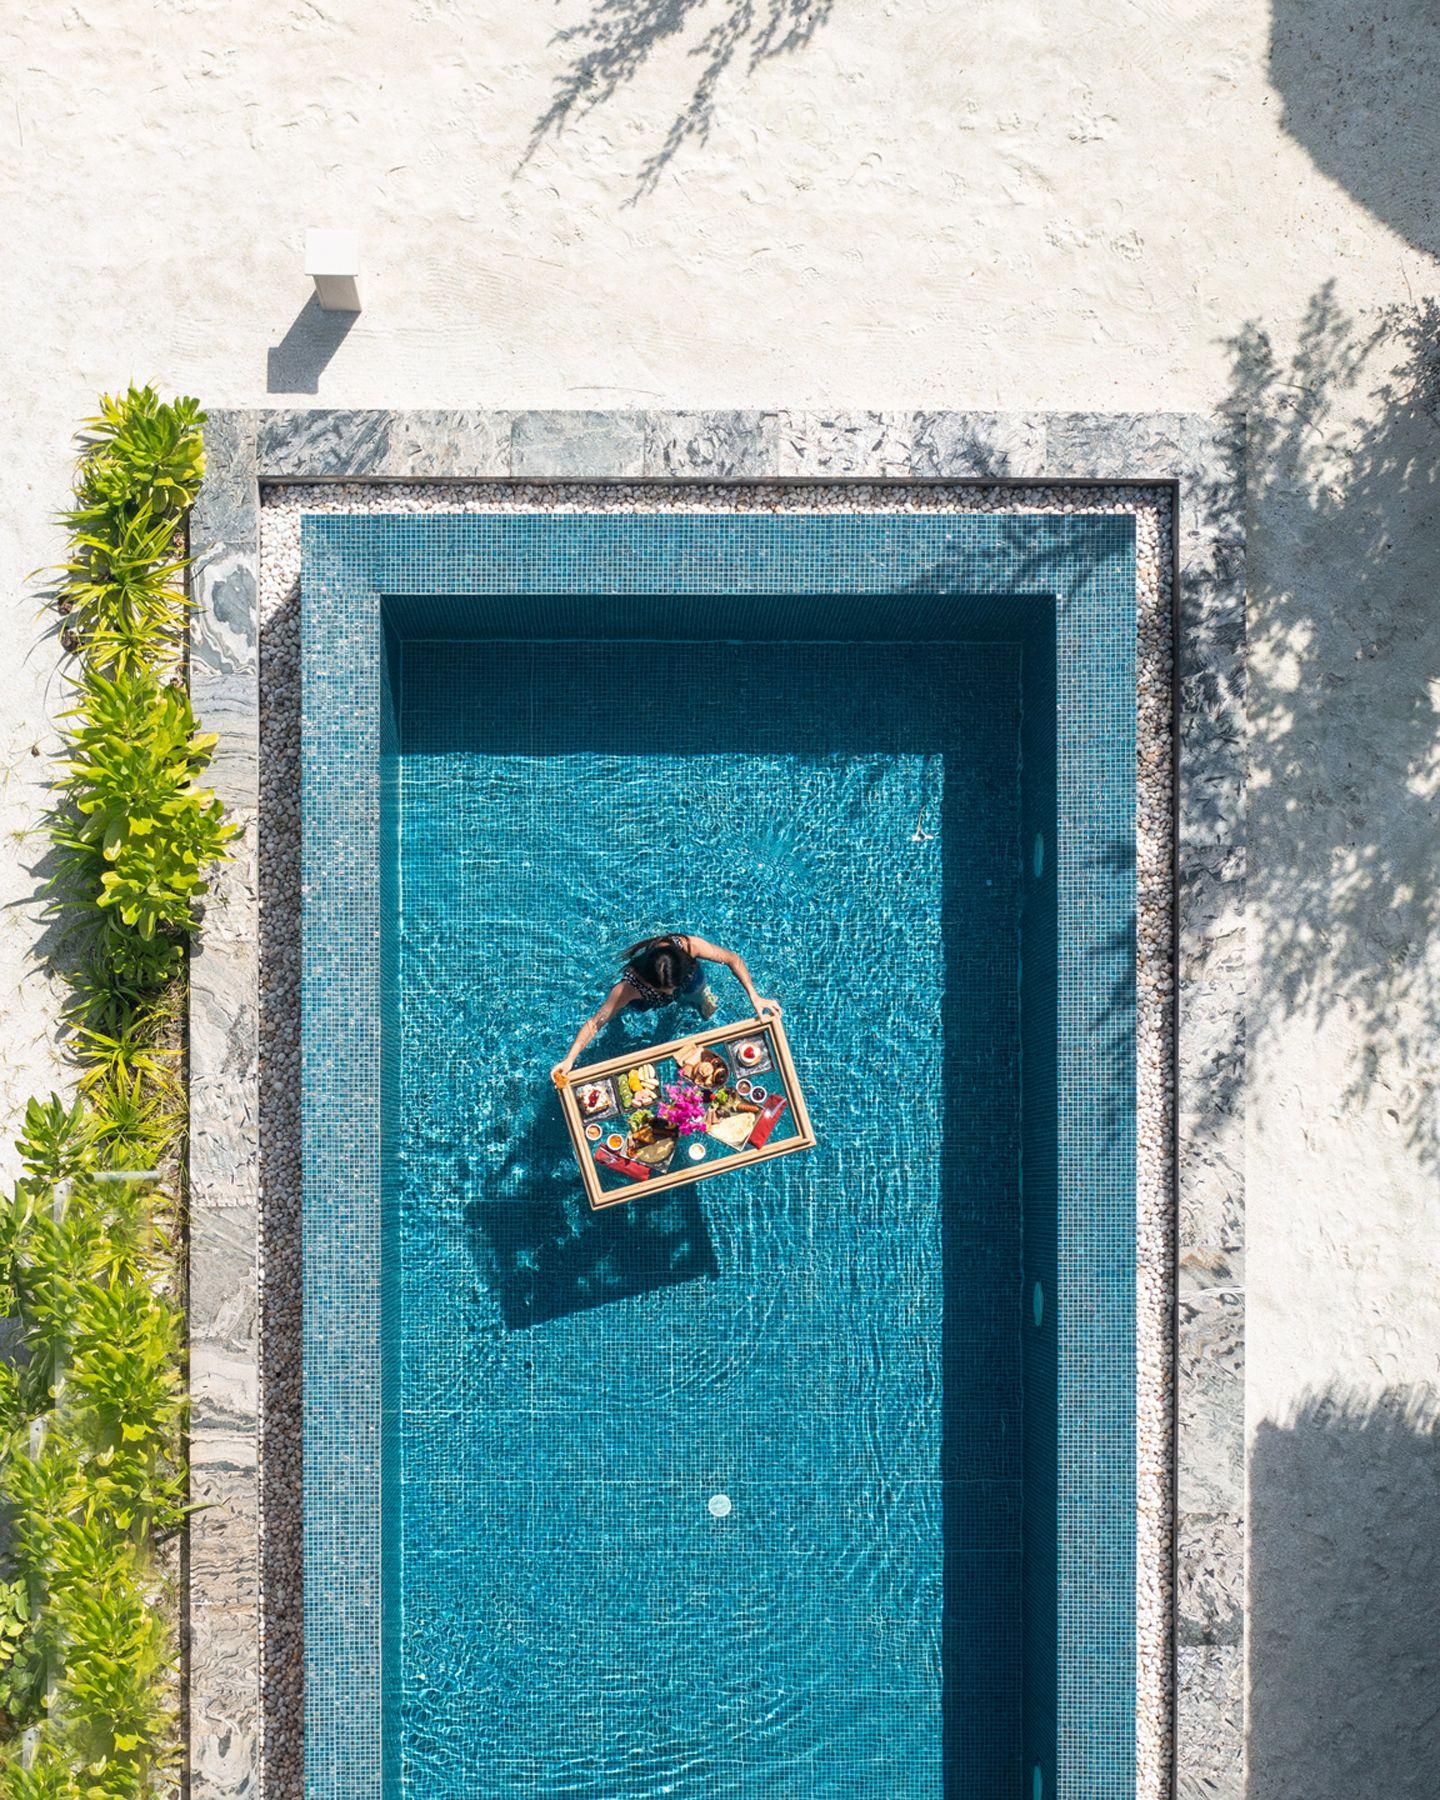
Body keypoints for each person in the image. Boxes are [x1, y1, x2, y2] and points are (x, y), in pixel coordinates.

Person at [551, 932, 780, 1087]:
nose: (669, 994)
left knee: (698, 991)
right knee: (617, 1015)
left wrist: (755, 997)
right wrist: (570, 1059)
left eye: (671, 988)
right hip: (644, 999)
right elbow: (594, 1023)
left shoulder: (688, 946)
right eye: (662, 989)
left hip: (687, 978)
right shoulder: (628, 987)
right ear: (647, 981)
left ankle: (698, 996)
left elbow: (732, 959)